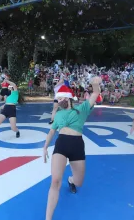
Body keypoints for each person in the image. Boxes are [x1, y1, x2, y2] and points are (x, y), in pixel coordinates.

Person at [43, 76, 102, 220]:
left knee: (79, 182)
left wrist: (95, 84)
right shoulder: (58, 114)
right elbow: (52, 131)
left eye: (61, 98)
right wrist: (45, 147)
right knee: (55, 181)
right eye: (57, 99)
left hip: (77, 145)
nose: (58, 101)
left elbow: (95, 94)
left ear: (68, 98)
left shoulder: (82, 108)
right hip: (61, 144)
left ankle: (70, 180)